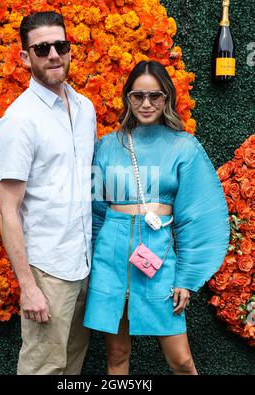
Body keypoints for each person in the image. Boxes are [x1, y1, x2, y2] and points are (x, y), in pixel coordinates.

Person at [83, 60, 230, 375]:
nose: (146, 104)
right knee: (117, 356)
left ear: (167, 98)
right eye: (138, 96)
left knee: (182, 361)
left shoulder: (184, 146)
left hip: (158, 258)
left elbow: (197, 216)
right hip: (111, 257)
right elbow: (94, 214)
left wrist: (186, 279)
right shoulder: (107, 146)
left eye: (155, 96)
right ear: (127, 98)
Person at [0, 11, 96, 375]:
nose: (53, 54)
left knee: (71, 366)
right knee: (43, 369)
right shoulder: (19, 121)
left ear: (70, 50)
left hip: (84, 264)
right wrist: (28, 287)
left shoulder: (86, 109)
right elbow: (8, 211)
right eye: (42, 48)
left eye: (61, 45)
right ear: (25, 57)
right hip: (47, 270)